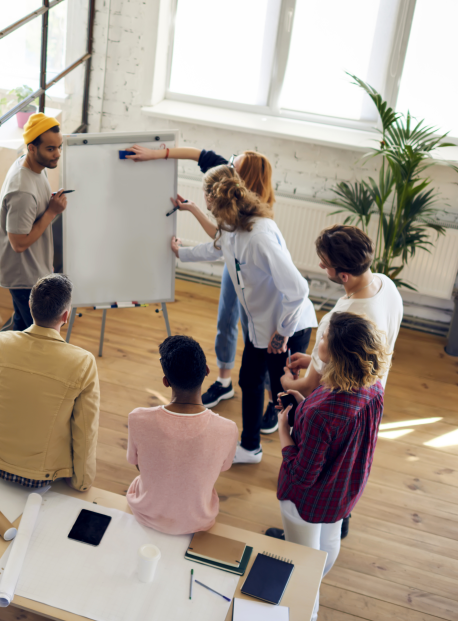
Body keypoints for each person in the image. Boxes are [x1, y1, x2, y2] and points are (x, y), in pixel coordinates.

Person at [172, 166, 317, 464]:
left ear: (215, 198)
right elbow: (216, 247)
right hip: (261, 329)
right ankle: (250, 447)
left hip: (286, 327)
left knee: (282, 396)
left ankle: (304, 457)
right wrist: (181, 252)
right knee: (250, 381)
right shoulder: (233, 227)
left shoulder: (259, 235)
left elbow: (298, 290)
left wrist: (282, 332)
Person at [127, 145, 277, 425]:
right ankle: (224, 382)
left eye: (236, 162)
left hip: (254, 277)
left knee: (259, 338)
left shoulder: (256, 214)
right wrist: (155, 155)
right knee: (225, 322)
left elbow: (220, 243)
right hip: (233, 266)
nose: (229, 161)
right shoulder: (225, 173)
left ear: (247, 179)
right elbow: (198, 155)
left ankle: (273, 400)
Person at [278, 224, 403, 539]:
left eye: (325, 263)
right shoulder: (387, 286)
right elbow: (348, 355)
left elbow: (305, 389)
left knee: (318, 469)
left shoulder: (343, 316)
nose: (321, 266)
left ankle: (312, 529)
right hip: (367, 398)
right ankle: (336, 516)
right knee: (343, 467)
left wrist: (286, 381)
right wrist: (317, 362)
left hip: (335, 403)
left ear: (343, 275)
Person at [275, 312, 388, 621]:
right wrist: (304, 406)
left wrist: (285, 431)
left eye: (324, 338)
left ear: (338, 354)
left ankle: (306, 610)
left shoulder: (320, 412)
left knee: (302, 560)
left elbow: (302, 475)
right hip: (344, 489)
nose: (319, 339)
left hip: (308, 502)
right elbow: (342, 436)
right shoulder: (373, 387)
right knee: (328, 543)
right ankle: (314, 583)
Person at [0, 273, 100, 490]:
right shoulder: (83, 362)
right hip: (45, 475)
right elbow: (86, 430)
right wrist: (82, 481)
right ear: (66, 316)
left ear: (30, 306)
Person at [126, 335, 238, 535]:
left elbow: (138, 464)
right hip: (199, 520)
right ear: (206, 372)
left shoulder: (138, 418)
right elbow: (221, 467)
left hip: (146, 514)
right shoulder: (228, 429)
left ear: (166, 382)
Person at [0, 113, 67, 332]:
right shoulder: (22, 189)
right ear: (32, 148)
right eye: (51, 149)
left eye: (59, 147)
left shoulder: (32, 168)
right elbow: (18, 243)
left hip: (32, 271)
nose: (57, 154)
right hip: (24, 277)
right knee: (35, 335)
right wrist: (52, 212)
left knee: (21, 329)